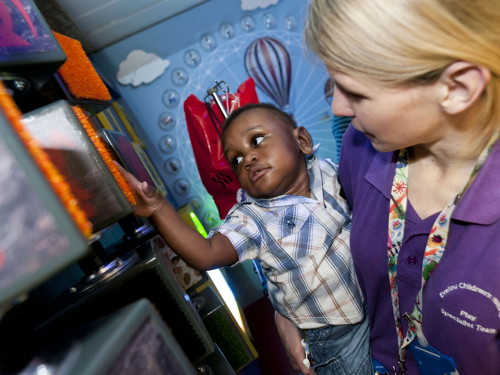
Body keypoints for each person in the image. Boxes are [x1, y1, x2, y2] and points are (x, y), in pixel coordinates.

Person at [275, 0, 500, 374]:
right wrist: (291, 304)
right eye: (334, 85)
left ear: (458, 88)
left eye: (356, 93)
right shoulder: (361, 147)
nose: (339, 107)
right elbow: (331, 245)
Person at [119, 102, 372, 374]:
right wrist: (159, 209)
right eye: (236, 160)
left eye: (257, 140)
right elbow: (206, 252)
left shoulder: (326, 171)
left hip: (373, 299)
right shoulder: (253, 218)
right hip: (333, 334)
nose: (248, 158)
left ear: (302, 141)